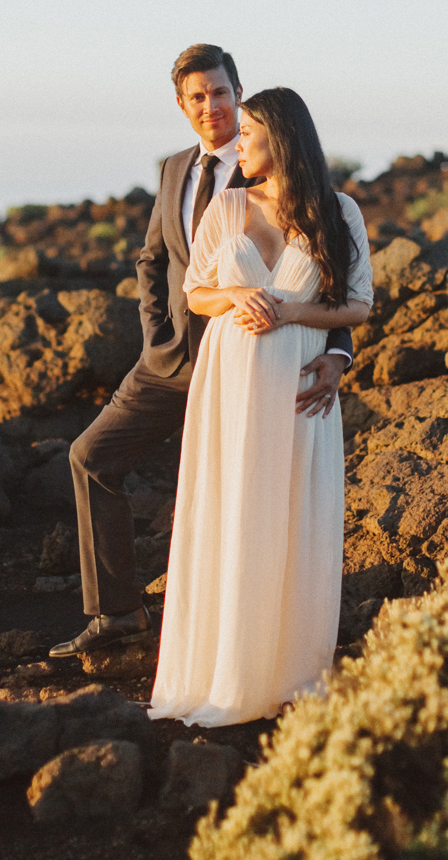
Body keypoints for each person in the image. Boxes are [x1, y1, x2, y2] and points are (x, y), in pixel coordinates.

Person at [49, 46, 354, 660]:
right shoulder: (174, 170)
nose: (211, 107)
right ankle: (118, 615)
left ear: (239, 93)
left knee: (250, 498)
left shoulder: (269, 157)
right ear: (182, 106)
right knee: (91, 457)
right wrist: (155, 332)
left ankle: (252, 641)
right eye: (197, 97)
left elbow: (330, 274)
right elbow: (154, 258)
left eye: (220, 93)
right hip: (168, 363)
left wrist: (338, 354)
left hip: (256, 364)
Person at [147, 86, 372, 725]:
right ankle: (224, 671)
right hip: (230, 384)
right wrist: (238, 296)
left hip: (300, 387)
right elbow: (195, 295)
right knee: (233, 510)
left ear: (282, 138)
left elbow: (357, 304)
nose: (236, 143)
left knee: (295, 515)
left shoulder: (340, 212)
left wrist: (294, 315)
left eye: (247, 132)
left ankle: (288, 672)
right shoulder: (228, 205)